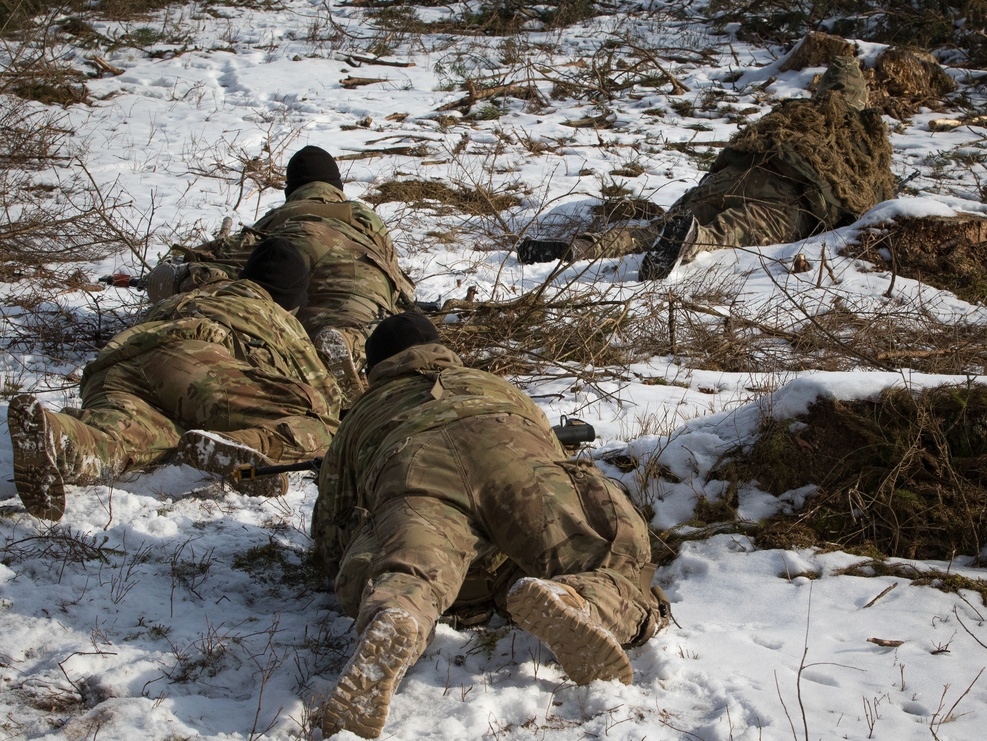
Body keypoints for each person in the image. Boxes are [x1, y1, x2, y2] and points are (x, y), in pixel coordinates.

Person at [310, 312, 667, 739]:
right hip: (512, 456)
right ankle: (579, 599)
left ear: (375, 368)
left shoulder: (361, 415)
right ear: (441, 348)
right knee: (611, 559)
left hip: (412, 471)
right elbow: (556, 459)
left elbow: (330, 530)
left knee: (409, 565)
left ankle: (399, 611)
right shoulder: (497, 385)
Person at [8, 237, 343, 521]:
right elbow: (329, 398)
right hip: (192, 364)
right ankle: (244, 445)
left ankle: (59, 438)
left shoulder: (198, 295)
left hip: (114, 366)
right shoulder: (275, 315)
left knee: (123, 439)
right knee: (320, 421)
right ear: (290, 300)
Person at [517, 55, 896, 280]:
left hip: (730, 178)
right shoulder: (864, 138)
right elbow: (871, 209)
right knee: (720, 233)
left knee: (656, 229)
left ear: (822, 90)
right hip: (786, 201)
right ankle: (685, 246)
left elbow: (737, 147)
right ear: (860, 100)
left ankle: (579, 247)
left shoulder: (793, 115)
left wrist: (711, 185)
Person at [146, 145, 417, 402]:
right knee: (365, 319)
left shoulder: (278, 217)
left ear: (290, 191)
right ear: (338, 188)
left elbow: (231, 253)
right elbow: (395, 273)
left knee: (255, 298)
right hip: (356, 271)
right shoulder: (364, 216)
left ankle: (266, 348)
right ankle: (349, 340)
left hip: (287, 257)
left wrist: (194, 272)